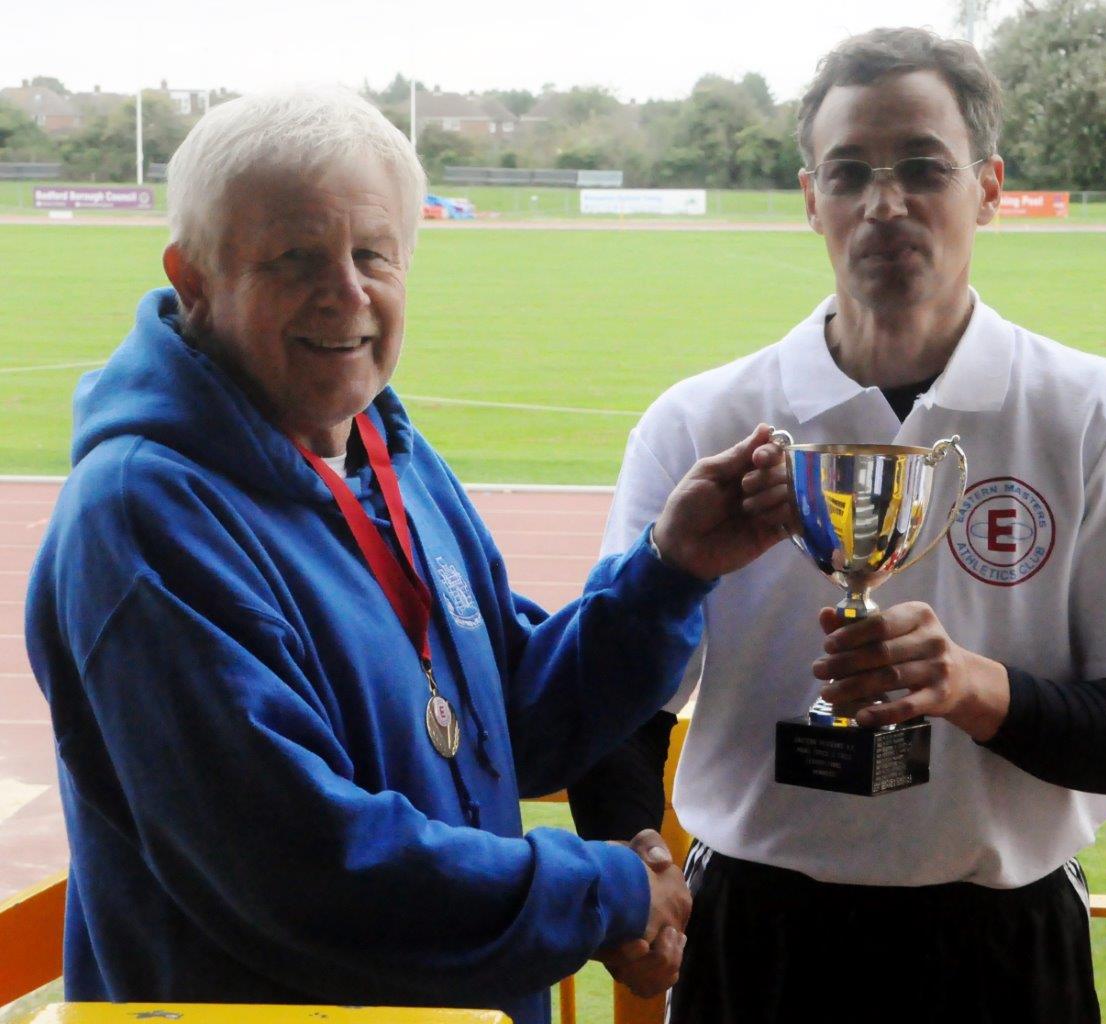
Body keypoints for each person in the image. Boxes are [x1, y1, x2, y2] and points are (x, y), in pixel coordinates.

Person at [23, 88, 793, 1024]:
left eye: (372, 254)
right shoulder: (142, 516)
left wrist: (668, 571)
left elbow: (512, 725)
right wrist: (603, 892)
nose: (345, 292)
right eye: (295, 257)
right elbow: (303, 869)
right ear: (194, 278)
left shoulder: (386, 454)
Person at [571, 27, 1106, 1022]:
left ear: (987, 188)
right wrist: (633, 858)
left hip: (1003, 945)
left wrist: (972, 688)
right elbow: (614, 702)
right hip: (757, 937)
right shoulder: (701, 423)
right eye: (849, 173)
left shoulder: (1097, 415)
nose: (883, 204)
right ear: (812, 199)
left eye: (923, 168)